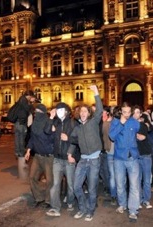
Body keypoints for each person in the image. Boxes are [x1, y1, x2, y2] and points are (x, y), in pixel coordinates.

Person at [67, 85, 103, 222]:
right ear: (78, 113)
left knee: (92, 188)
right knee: (76, 186)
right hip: (82, 160)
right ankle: (82, 208)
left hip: (94, 160)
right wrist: (70, 154)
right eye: (81, 111)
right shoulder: (77, 128)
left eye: (85, 111)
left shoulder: (93, 122)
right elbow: (73, 142)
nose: (83, 113)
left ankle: (90, 210)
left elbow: (99, 110)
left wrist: (96, 93)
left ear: (89, 113)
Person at [109, 102, 141, 222]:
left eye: (129, 112)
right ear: (121, 112)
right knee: (120, 184)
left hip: (132, 158)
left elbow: (140, 130)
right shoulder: (116, 122)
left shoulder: (134, 122)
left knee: (134, 185)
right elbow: (112, 136)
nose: (127, 114)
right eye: (124, 112)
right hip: (119, 159)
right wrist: (121, 123)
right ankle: (122, 204)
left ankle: (133, 210)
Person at [45, 102, 78, 217]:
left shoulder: (73, 123)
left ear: (67, 111)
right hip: (57, 159)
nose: (58, 112)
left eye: (61, 110)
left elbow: (77, 140)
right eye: (57, 110)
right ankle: (55, 207)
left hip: (68, 159)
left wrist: (68, 138)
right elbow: (47, 131)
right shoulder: (56, 122)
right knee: (55, 184)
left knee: (70, 184)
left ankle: (70, 201)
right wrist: (50, 117)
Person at [25, 104, 54, 209]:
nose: (36, 113)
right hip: (37, 156)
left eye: (39, 111)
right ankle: (39, 198)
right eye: (35, 111)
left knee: (50, 180)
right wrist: (28, 150)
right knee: (32, 177)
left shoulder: (49, 123)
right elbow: (32, 138)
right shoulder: (34, 124)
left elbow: (51, 137)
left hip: (48, 156)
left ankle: (49, 200)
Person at [133, 107, 153, 210]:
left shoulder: (143, 125)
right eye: (134, 112)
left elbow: (142, 137)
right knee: (137, 180)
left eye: (138, 112)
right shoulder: (131, 125)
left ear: (140, 114)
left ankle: (146, 200)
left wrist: (132, 134)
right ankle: (139, 199)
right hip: (136, 156)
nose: (136, 114)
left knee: (146, 179)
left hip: (145, 155)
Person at [13, 90, 36, 159]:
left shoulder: (20, 100)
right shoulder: (25, 101)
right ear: (29, 96)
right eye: (31, 97)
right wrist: (31, 103)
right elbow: (30, 110)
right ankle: (21, 152)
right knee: (22, 138)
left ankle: (17, 152)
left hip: (17, 122)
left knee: (18, 138)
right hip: (21, 122)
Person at [101, 105, 117, 205]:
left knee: (113, 175)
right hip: (112, 151)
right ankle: (115, 195)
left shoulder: (107, 123)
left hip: (112, 151)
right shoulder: (107, 124)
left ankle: (114, 195)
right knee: (114, 175)